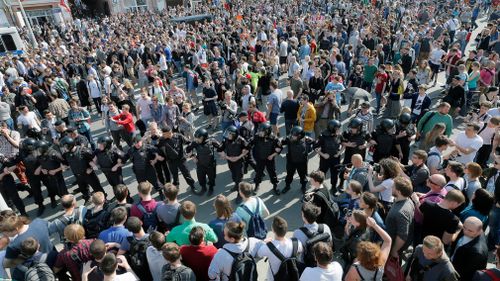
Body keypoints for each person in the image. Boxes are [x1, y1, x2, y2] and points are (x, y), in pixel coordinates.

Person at [257, 216, 304, 281]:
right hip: (292, 276)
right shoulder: (296, 243)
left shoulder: (268, 247)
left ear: (273, 230)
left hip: (274, 278)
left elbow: (259, 254)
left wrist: (265, 242)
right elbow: (301, 249)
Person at [60, 136, 105, 202]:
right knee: (84, 190)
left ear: (69, 145)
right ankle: (87, 198)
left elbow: (95, 159)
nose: (63, 149)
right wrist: (63, 166)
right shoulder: (66, 154)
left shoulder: (83, 150)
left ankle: (104, 200)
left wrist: (91, 168)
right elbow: (65, 164)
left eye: (65, 147)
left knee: (97, 189)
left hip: (88, 174)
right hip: (78, 175)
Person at [384, 176, 415, 260]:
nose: (390, 188)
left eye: (393, 186)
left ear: (398, 191)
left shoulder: (399, 212)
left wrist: (394, 250)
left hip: (391, 248)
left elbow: (402, 236)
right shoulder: (408, 200)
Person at [450, 217, 489, 281]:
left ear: (479, 231)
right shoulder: (470, 229)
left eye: (470, 231)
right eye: (464, 227)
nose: (465, 231)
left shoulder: (477, 253)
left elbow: (468, 274)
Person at [186, 128, 220, 194]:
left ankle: (211, 188)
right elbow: (187, 149)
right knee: (201, 178)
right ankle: (203, 188)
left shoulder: (211, 141)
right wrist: (193, 156)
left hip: (210, 164)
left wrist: (222, 153)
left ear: (203, 137)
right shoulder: (195, 143)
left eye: (198, 138)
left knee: (211, 178)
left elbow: (220, 147)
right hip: (200, 164)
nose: (196, 139)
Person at [218, 125, 249, 194]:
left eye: (229, 134)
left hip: (240, 161)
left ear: (234, 135)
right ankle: (236, 185)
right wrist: (226, 156)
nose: (227, 136)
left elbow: (247, 149)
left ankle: (240, 193)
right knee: (234, 175)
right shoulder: (226, 140)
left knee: (239, 177)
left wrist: (238, 157)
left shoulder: (241, 140)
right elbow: (220, 149)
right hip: (230, 161)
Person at [282, 126, 313, 193]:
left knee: (302, 176)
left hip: (302, 162)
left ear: (300, 136)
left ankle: (303, 187)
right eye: (292, 135)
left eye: (294, 135)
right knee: (289, 175)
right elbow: (280, 143)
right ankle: (287, 186)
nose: (292, 136)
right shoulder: (289, 139)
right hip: (291, 162)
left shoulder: (307, 140)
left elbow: (316, 143)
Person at [252, 122, 281, 195]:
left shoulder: (273, 138)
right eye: (259, 131)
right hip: (260, 158)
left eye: (261, 131)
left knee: (272, 173)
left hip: (269, 159)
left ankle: (275, 185)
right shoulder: (257, 136)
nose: (259, 133)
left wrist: (272, 155)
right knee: (258, 173)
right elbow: (250, 144)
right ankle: (257, 185)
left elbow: (279, 148)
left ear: (267, 132)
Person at [314, 120, 343, 194]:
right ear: (332, 129)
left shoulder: (339, 135)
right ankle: (318, 187)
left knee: (334, 174)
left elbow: (343, 143)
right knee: (321, 174)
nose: (339, 130)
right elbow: (315, 147)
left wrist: (339, 153)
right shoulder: (323, 136)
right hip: (325, 159)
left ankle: (333, 187)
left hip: (335, 159)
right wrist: (323, 155)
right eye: (337, 128)